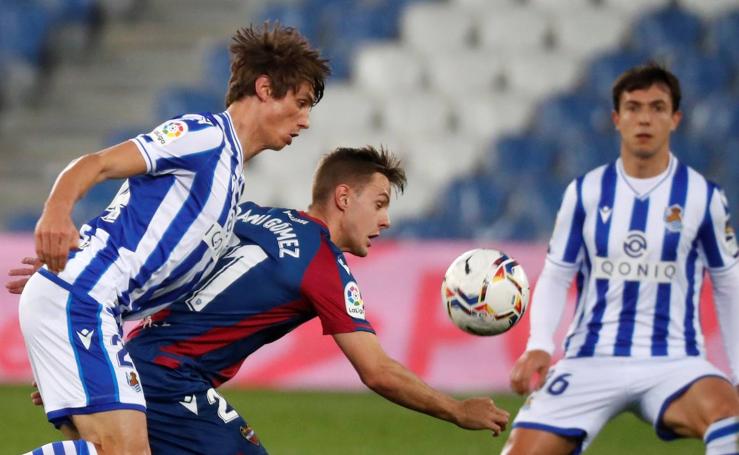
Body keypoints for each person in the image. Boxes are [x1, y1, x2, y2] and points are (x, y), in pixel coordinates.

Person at [10, 146, 511, 454]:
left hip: (137, 360)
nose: (385, 221)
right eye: (378, 204)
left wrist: (91, 352)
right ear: (343, 197)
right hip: (169, 378)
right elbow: (376, 371)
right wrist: (456, 411)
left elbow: (161, 255)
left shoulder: (247, 217)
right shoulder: (321, 263)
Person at [17, 22, 329, 455]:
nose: (306, 121)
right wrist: (56, 214)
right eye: (300, 103)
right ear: (264, 88)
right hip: (82, 300)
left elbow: (142, 239)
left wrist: (77, 259)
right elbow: (97, 163)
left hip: (85, 303)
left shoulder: (231, 179)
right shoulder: (203, 136)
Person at [502, 62, 739, 454]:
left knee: (731, 419)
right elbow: (557, 274)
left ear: (675, 119)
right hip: (589, 359)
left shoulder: (703, 197)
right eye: (633, 107)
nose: (644, 118)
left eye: (657, 107)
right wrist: (540, 343)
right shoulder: (585, 193)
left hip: (675, 361)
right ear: (617, 118)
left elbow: (729, 284)